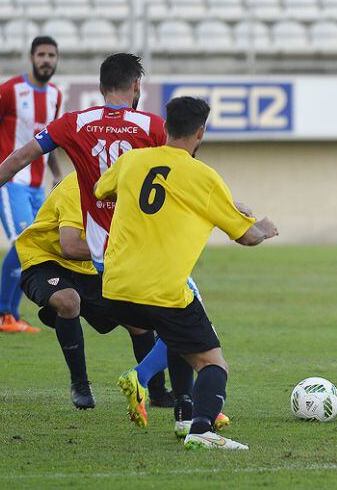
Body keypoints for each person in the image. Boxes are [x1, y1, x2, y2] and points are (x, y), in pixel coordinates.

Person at [0, 53, 201, 427]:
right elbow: (188, 172)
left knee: (162, 319)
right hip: (127, 251)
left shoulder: (73, 123)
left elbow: (18, 158)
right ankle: (178, 403)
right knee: (186, 314)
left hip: (101, 255)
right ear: (136, 87)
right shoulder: (153, 126)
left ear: (100, 88)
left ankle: (168, 396)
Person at [94, 96, 278, 450]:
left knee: (176, 338)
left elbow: (102, 188)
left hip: (115, 288)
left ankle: (181, 414)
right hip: (162, 291)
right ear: (201, 132)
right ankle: (201, 429)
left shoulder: (131, 160)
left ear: (164, 127)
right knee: (213, 364)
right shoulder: (203, 177)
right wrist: (265, 227)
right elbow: (246, 236)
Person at [15, 171, 174, 409]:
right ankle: (80, 385)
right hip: (46, 261)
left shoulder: (128, 186)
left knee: (138, 319)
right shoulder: (75, 188)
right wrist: (125, 253)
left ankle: (158, 393)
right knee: (68, 301)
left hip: (91, 269)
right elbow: (70, 246)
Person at [0, 36, 64, 333]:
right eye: (42, 54)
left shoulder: (55, 94)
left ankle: (13, 314)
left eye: (52, 55)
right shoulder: (10, 90)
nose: (47, 60)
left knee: (39, 243)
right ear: (31, 57)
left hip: (37, 185)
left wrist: (57, 172)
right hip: (11, 181)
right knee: (23, 242)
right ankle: (4, 314)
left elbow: (46, 142)